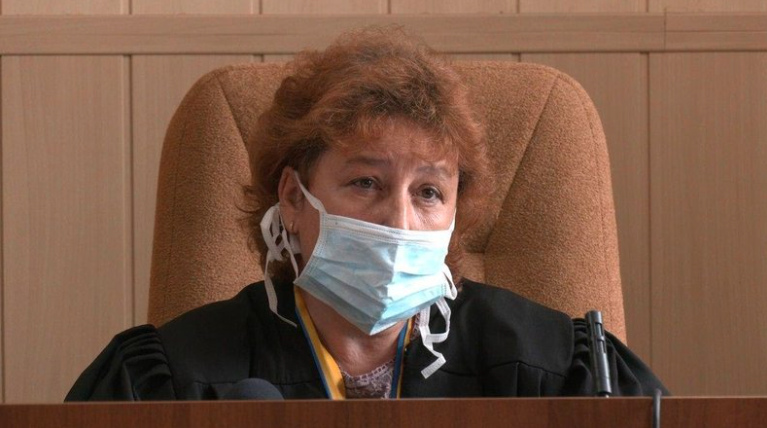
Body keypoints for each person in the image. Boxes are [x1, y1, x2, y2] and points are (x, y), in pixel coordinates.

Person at [66, 27, 667, 401]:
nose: (398, 221)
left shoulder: (547, 367)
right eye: (366, 183)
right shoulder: (173, 378)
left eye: (428, 192)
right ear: (293, 199)